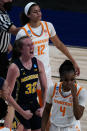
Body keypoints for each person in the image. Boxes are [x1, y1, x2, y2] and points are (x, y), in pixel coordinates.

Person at [5, 36, 47, 131]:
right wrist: (22, 112)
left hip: (33, 104)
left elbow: (45, 87)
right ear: (20, 49)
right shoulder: (14, 68)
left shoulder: (39, 64)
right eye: (28, 45)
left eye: (32, 44)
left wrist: (43, 106)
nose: (32, 47)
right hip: (18, 105)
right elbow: (7, 95)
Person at [41, 60, 87, 131]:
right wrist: (42, 128)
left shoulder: (81, 92)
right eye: (66, 80)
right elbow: (47, 110)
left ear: (75, 76)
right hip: (54, 127)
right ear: (61, 77)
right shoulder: (53, 88)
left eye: (72, 80)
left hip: (71, 128)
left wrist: (74, 96)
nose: (69, 83)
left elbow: (78, 116)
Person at [0, 0, 20, 78]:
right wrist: (32, 27)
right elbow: (14, 31)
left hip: (3, 54)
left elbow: (3, 29)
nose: (10, 1)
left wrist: (7, 42)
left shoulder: (4, 13)